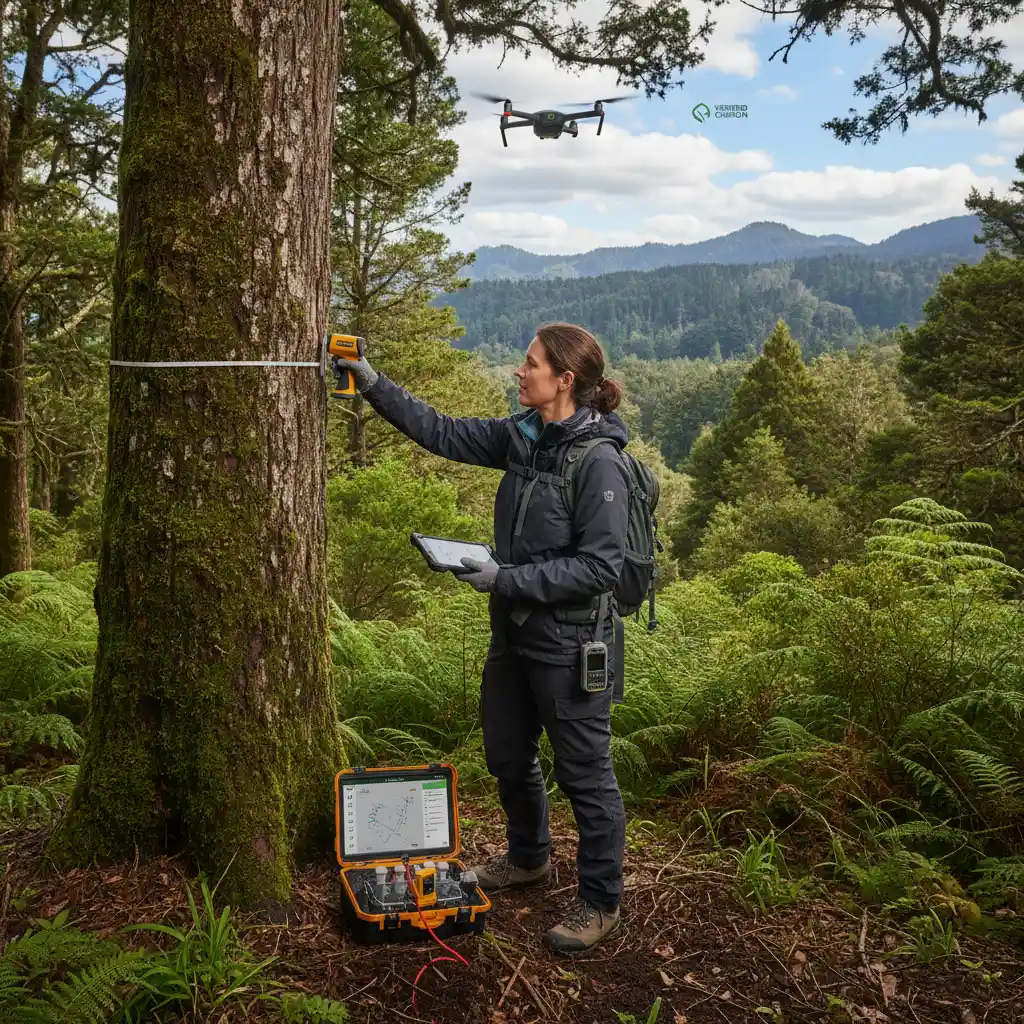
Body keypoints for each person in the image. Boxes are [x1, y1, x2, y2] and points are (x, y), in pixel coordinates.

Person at [345, 322, 630, 953]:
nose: (518, 372)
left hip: (570, 645)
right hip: (515, 635)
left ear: (565, 381)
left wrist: (507, 577)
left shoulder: (599, 461)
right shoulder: (521, 439)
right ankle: (529, 859)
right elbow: (442, 431)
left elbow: (601, 567)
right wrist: (371, 383)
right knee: (506, 753)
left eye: (530, 364)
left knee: (586, 776)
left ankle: (601, 901)